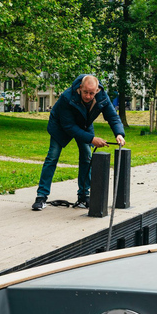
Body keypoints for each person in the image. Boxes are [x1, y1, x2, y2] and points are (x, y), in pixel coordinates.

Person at [32, 74, 126, 211]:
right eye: (85, 92)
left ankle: (83, 196)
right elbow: (69, 127)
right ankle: (41, 196)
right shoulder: (67, 97)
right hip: (60, 125)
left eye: (91, 93)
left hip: (84, 124)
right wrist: (92, 139)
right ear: (80, 88)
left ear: (97, 90)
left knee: (87, 157)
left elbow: (112, 116)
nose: (88, 96)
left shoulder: (102, 96)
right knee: (52, 157)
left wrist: (119, 133)